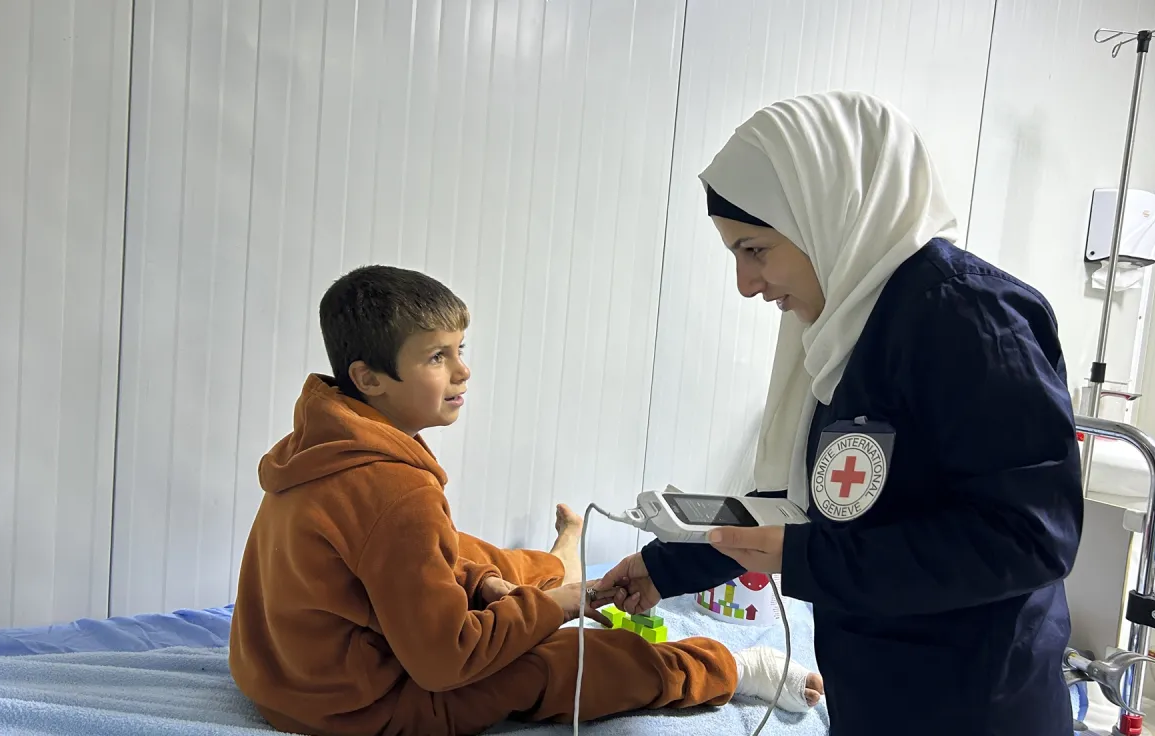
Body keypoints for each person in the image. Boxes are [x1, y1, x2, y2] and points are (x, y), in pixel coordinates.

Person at [601, 91, 1084, 736]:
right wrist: (665, 567)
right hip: (875, 685)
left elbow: (1029, 538)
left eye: (755, 250)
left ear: (822, 215)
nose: (747, 284)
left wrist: (808, 560)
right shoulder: (841, 328)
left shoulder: (968, 319)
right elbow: (818, 503)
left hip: (970, 698)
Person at [228, 265, 823, 736]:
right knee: (564, 660)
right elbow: (444, 665)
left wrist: (487, 587)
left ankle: (559, 560)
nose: (463, 371)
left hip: (279, 681)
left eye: (461, 348)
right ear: (369, 378)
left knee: (469, 558)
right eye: (438, 357)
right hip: (359, 710)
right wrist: (560, 609)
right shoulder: (396, 490)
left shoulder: (316, 445)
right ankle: (730, 668)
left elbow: (391, 563)